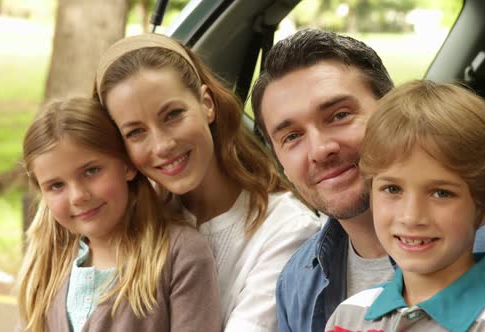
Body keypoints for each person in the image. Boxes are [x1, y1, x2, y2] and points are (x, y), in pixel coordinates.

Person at [250, 28, 485, 332]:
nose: (321, 150)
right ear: (280, 162)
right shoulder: (297, 283)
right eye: (292, 136)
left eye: (339, 115)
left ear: (392, 112)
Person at [93, 33, 322, 331]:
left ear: (207, 103)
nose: (162, 145)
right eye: (136, 132)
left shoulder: (288, 230)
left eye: (173, 115)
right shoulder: (130, 221)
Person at [15, 97, 221, 332]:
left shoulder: (179, 253)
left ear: (127, 165)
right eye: (56, 186)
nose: (77, 196)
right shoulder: (47, 262)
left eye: (91, 171)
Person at [326, 80, 485, 331]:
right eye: (392, 189)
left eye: (441, 193)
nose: (412, 216)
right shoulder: (349, 316)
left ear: (484, 205)